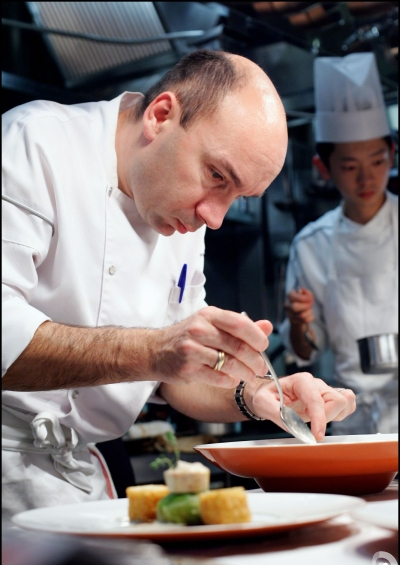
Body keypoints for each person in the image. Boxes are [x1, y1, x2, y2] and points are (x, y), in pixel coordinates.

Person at [2, 49, 355, 520]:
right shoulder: (35, 143)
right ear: (161, 115)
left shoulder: (182, 220)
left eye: (237, 196)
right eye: (216, 176)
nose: (214, 217)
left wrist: (256, 395)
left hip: (79, 481)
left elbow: (176, 377)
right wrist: (154, 351)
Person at [280, 52, 397, 435]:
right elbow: (307, 349)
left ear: (392, 155)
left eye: (378, 161)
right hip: (353, 421)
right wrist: (300, 323)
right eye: (349, 166)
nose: (367, 177)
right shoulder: (311, 245)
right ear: (324, 169)